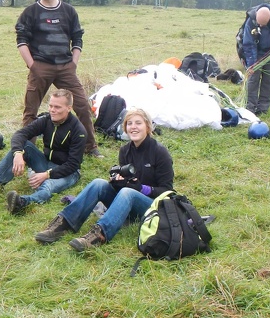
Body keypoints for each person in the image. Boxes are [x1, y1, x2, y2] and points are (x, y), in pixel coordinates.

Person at [34, 107, 173, 252]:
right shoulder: (125, 151)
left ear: (148, 126)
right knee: (98, 183)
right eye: (129, 123)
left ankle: (99, 235)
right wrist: (117, 183)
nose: (133, 127)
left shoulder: (159, 152)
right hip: (127, 202)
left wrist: (141, 188)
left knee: (127, 192)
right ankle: (64, 224)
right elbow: (125, 184)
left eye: (138, 123)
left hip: (152, 207)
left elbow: (168, 192)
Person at [15, 0, 103, 158]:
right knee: (31, 111)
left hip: (65, 67)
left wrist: (73, 63)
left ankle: (90, 146)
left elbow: (77, 38)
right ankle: (28, 151)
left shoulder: (68, 11)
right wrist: (32, 65)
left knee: (82, 105)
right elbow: (21, 40)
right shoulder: (30, 12)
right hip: (40, 67)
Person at [0, 89, 86, 215]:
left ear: (68, 108)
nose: (52, 110)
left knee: (48, 185)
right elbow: (20, 134)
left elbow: (73, 164)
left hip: (69, 172)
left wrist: (46, 175)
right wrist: (18, 153)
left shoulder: (78, 130)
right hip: (46, 162)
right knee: (24, 146)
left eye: (57, 107)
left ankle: (22, 202)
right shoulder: (46, 120)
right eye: (50, 106)